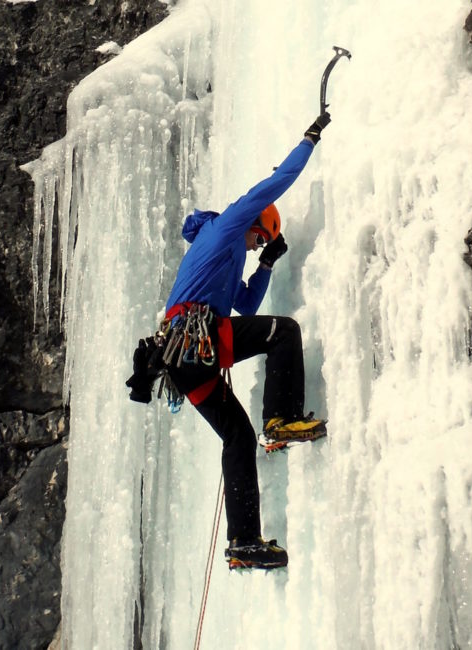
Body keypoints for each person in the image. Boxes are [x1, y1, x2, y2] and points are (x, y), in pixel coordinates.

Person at [147, 112, 332, 570]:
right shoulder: (229, 224)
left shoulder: (225, 253)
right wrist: (308, 140)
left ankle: (244, 543)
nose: (253, 246)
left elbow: (244, 308)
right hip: (196, 338)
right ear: (255, 225)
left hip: (184, 358)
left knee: (236, 436)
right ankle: (282, 418)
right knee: (284, 332)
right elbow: (275, 184)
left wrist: (265, 266)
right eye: (259, 241)